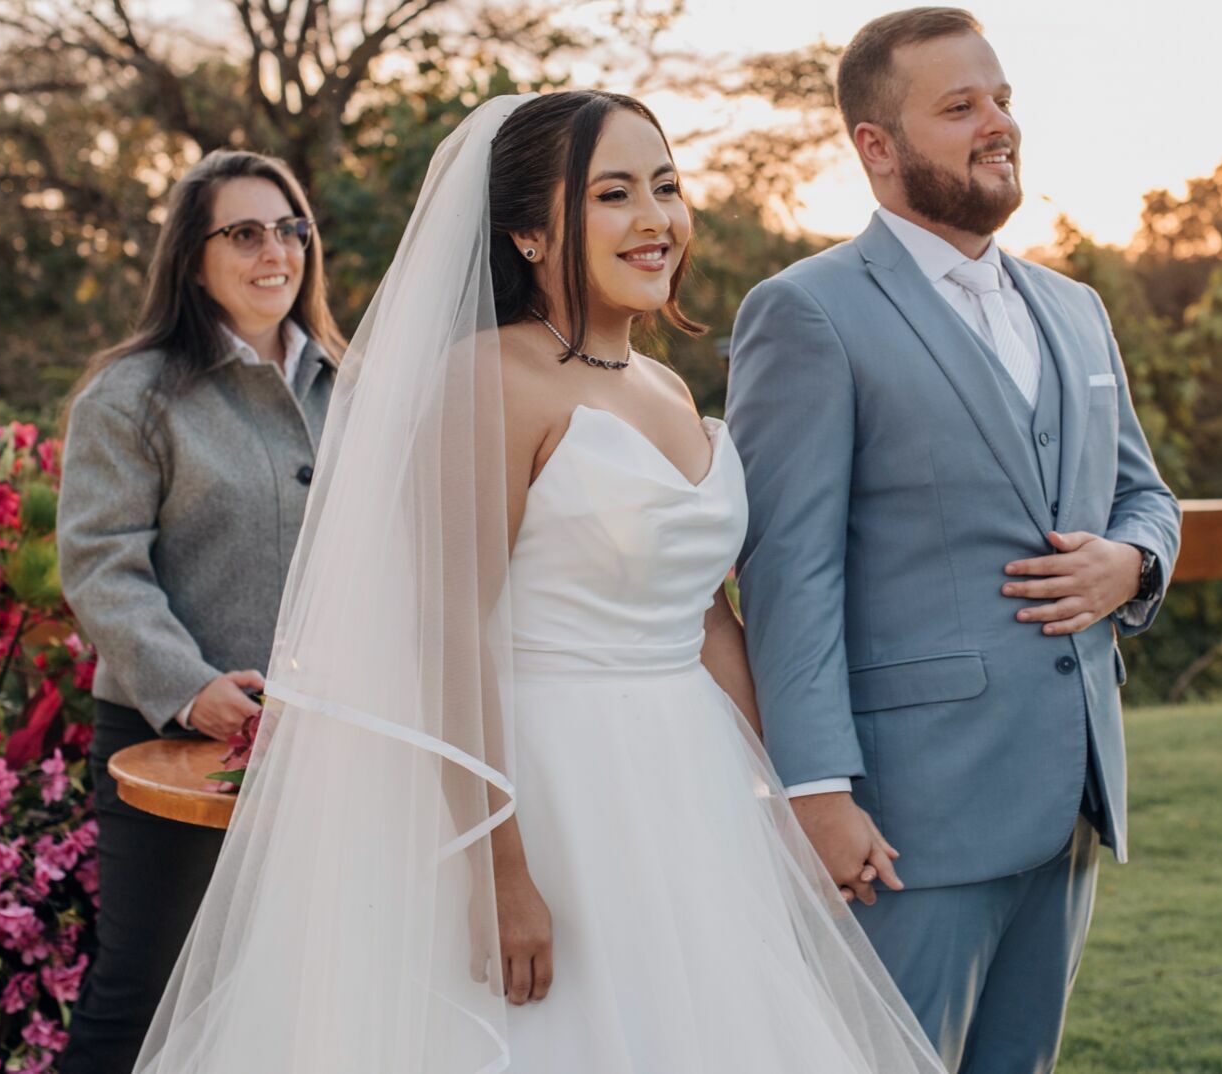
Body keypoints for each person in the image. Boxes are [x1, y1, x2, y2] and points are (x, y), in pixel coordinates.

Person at [131, 92, 945, 1074]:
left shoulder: (667, 387)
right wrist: (498, 867)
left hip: (689, 788)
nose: (657, 220)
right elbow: (447, 632)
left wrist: (780, 801)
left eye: (666, 186)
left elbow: (703, 618)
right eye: (612, 195)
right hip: (550, 785)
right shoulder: (489, 381)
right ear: (526, 231)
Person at [727, 7, 1182, 1074]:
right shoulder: (807, 312)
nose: (998, 124)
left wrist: (1132, 564)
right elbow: (790, 570)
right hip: (908, 814)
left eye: (1004, 99)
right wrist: (817, 790)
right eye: (960, 105)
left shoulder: (1074, 308)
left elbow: (1147, 497)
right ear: (875, 146)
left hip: (1071, 797)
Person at [56, 150, 346, 1073]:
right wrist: (192, 690)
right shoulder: (132, 393)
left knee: (288, 999)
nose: (277, 251)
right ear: (193, 258)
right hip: (173, 747)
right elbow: (101, 566)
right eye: (245, 232)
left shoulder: (349, 383)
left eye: (291, 228)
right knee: (139, 998)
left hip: (327, 747)